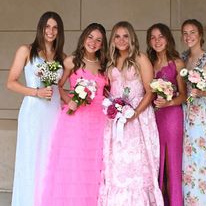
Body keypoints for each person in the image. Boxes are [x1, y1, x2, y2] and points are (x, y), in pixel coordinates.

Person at [40, 23, 108, 206]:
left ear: (102, 45)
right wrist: (68, 99)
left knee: (94, 166)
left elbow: (108, 92)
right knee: (74, 165)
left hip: (99, 121)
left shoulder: (104, 65)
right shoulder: (71, 61)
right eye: (90, 37)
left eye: (98, 40)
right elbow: (59, 85)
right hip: (76, 119)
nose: (93, 42)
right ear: (84, 38)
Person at [98, 21, 164, 206]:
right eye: (117, 36)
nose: (121, 40)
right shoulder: (110, 61)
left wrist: (134, 113)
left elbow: (150, 92)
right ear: (112, 40)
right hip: (116, 118)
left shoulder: (140, 58)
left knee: (136, 164)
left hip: (138, 117)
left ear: (132, 37)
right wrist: (112, 107)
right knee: (117, 164)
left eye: (125, 36)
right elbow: (109, 90)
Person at [6, 11, 65, 206]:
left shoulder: (61, 56)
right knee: (32, 158)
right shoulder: (26, 50)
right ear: (40, 28)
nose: (51, 31)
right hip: (33, 112)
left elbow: (62, 88)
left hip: (54, 112)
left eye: (55, 27)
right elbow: (11, 83)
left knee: (50, 160)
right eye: (47, 26)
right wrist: (36, 92)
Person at [181, 19, 206, 206]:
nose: (188, 36)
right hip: (183, 111)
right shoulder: (183, 58)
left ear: (200, 35)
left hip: (199, 114)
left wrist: (201, 91)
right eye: (185, 33)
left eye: (192, 32)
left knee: (199, 157)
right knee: (186, 160)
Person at [146, 23, 186, 206]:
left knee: (171, 167)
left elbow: (184, 95)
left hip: (172, 118)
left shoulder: (177, 63)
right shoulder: (147, 63)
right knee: (156, 168)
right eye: (153, 37)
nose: (157, 40)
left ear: (168, 38)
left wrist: (168, 102)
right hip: (153, 119)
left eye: (160, 36)